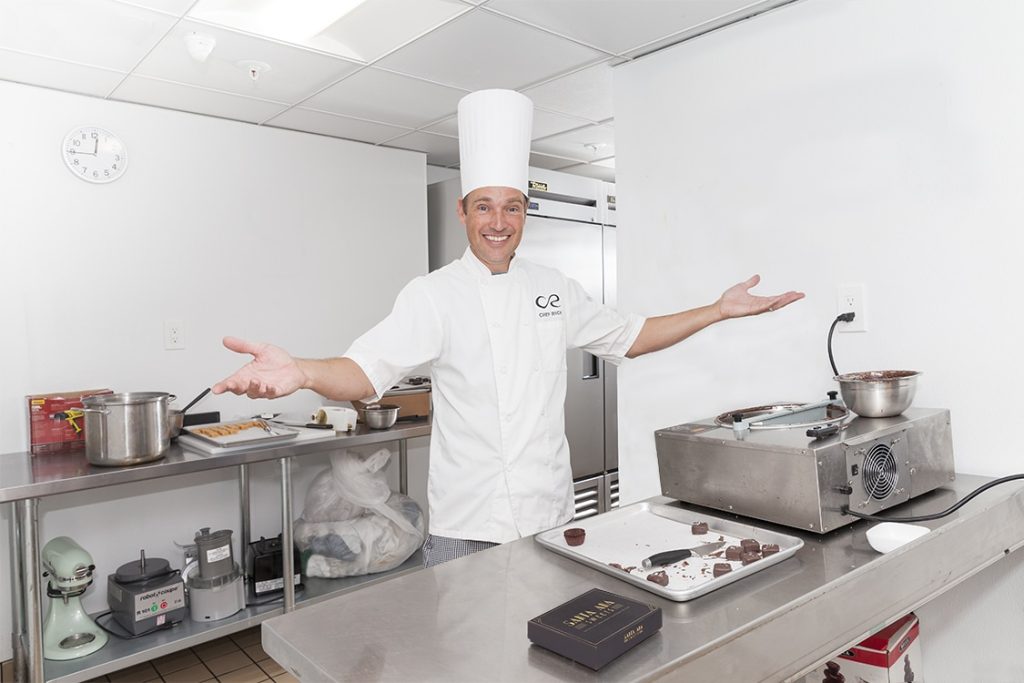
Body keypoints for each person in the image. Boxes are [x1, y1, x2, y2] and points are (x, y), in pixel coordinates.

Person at [212, 90, 804, 568]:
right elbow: (364, 372)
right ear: (463, 211)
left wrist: (716, 310)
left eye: (512, 206)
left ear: (525, 213)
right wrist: (302, 371)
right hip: (467, 525)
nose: (499, 221)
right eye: (484, 206)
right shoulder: (434, 294)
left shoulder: (554, 286)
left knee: (551, 652)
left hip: (551, 514)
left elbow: (633, 335)